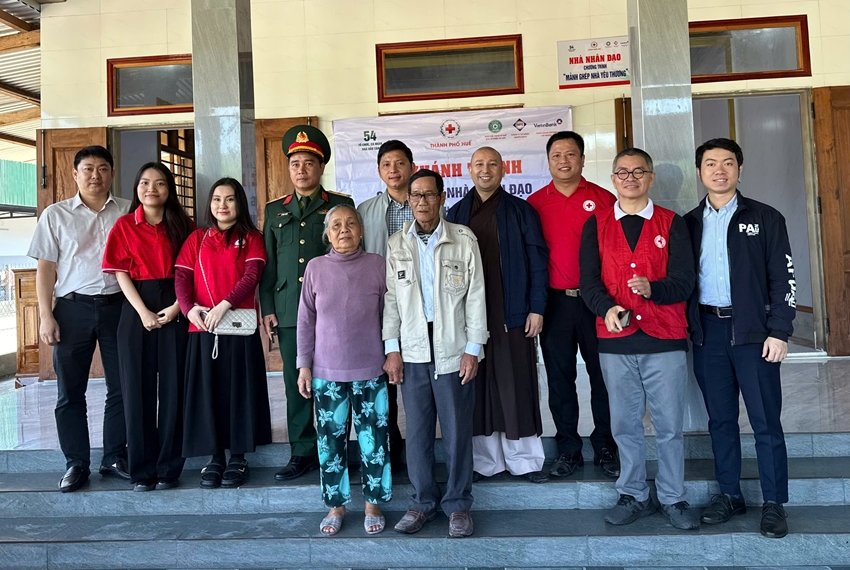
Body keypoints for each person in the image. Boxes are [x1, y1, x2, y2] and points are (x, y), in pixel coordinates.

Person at [580, 148, 698, 530]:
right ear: (613, 179)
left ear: (650, 178)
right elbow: (588, 282)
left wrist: (654, 289)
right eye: (622, 172)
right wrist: (606, 308)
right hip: (616, 341)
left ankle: (673, 497)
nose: (630, 178)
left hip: (664, 339)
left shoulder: (671, 223)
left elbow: (685, 281)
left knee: (669, 426)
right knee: (624, 425)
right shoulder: (596, 224)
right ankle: (633, 494)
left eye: (638, 172)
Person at [685, 138, 796, 539]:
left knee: (765, 421)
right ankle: (729, 494)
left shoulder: (765, 217)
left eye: (728, 163)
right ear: (699, 171)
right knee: (720, 421)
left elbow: (783, 277)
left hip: (754, 334)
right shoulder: (688, 223)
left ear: (740, 169)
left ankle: (774, 502)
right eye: (710, 163)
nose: (719, 170)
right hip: (708, 333)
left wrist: (780, 331)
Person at [383, 169, 488, 538]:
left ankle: (458, 505)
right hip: (412, 349)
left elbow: (476, 296)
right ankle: (422, 502)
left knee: (457, 430)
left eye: (429, 194)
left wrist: (473, 349)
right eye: (416, 195)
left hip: (453, 347)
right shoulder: (397, 243)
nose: (422, 202)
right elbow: (392, 301)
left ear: (443, 198)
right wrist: (391, 349)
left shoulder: (463, 238)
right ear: (408, 200)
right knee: (418, 432)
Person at [27, 145, 130, 493]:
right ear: (75, 174)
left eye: (102, 168)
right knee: (70, 391)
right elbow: (46, 269)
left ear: (112, 173)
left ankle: (114, 457)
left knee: (122, 386)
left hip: (119, 306)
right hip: (72, 309)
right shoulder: (55, 215)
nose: (95, 175)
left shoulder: (129, 212)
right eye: (88, 168)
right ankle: (76, 463)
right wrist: (46, 315)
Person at [446, 147, 550, 484]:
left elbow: (537, 262)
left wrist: (537, 307)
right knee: (478, 387)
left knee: (515, 383)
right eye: (479, 164)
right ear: (469, 170)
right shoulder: (456, 213)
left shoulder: (521, 211)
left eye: (493, 164)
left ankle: (525, 461)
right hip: (469, 317)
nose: (486, 170)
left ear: (504, 170)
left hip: (512, 313)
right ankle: (485, 462)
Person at [260, 125, 355, 482]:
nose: (301, 170)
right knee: (294, 383)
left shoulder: (340, 206)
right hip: (288, 309)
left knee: (335, 381)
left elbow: (349, 257)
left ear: (321, 167)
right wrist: (268, 308)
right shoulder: (275, 211)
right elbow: (268, 264)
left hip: (331, 310)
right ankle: (302, 451)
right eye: (295, 163)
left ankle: (336, 447)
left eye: (309, 163)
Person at [527, 131, 619, 479]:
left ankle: (606, 446)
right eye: (556, 155)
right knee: (560, 378)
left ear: (582, 159)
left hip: (597, 303)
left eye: (570, 154)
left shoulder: (605, 199)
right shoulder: (535, 204)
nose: (563, 161)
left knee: (603, 376)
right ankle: (568, 448)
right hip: (555, 304)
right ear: (549, 161)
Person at [296, 204, 392, 536]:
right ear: (327, 233)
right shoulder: (316, 267)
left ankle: (373, 504)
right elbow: (305, 320)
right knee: (330, 444)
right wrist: (304, 366)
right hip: (327, 374)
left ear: (362, 231)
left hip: (371, 370)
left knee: (374, 442)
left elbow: (389, 315)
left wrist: (393, 354)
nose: (344, 230)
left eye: (351, 223)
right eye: (336, 225)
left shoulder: (377, 265)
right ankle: (336, 505)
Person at [102, 163, 195, 492]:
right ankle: (142, 470)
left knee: (174, 389)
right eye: (144, 183)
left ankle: (169, 468)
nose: (151, 189)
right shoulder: (125, 225)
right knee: (135, 391)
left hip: (176, 304)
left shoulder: (184, 226)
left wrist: (177, 307)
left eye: (159, 183)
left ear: (169, 189)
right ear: (136, 188)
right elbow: (120, 272)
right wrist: (142, 311)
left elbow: (192, 272)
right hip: (135, 307)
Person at [175, 177, 272, 489]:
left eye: (230, 199)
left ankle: (238, 457)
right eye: (217, 199)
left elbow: (252, 275)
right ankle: (215, 456)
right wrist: (189, 309)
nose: (223, 205)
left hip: (239, 326)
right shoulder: (197, 238)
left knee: (239, 392)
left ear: (239, 203)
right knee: (208, 392)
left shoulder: (252, 238)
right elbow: (182, 277)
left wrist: (224, 306)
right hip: (203, 326)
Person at [357, 140, 417, 470]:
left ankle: (421, 448)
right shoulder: (365, 211)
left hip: (421, 304)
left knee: (420, 377)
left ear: (411, 166)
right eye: (386, 164)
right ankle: (392, 447)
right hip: (381, 307)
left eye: (400, 163)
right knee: (384, 380)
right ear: (379, 171)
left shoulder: (429, 203)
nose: (393, 170)